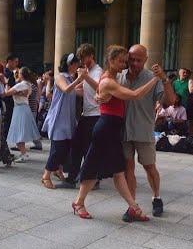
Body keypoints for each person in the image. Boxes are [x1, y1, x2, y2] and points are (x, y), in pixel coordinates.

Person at [72, 45, 165, 221]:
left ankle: (133, 207)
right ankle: (79, 203)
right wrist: (156, 79)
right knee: (93, 167)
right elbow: (135, 94)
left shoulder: (113, 77)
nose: (124, 64)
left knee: (118, 171)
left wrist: (95, 89)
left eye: (125, 61)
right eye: (121, 61)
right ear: (111, 60)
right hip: (106, 128)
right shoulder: (110, 79)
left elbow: (100, 88)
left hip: (113, 129)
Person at [107, 44, 176, 219]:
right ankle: (133, 206)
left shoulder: (152, 78)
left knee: (149, 166)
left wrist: (165, 79)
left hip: (144, 130)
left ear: (146, 60)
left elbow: (170, 101)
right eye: (132, 59)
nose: (135, 63)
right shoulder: (119, 76)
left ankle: (157, 196)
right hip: (123, 131)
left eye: (139, 60)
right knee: (128, 167)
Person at [57, 43, 102, 189]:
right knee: (76, 145)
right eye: (80, 59)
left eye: (84, 58)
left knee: (89, 148)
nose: (82, 61)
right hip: (86, 113)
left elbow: (101, 89)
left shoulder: (98, 71)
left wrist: (85, 77)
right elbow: (82, 90)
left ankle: (93, 179)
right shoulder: (86, 71)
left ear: (91, 56)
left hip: (96, 114)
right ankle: (72, 178)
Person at [41, 53, 86, 189]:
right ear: (70, 64)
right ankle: (46, 176)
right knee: (58, 149)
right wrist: (80, 79)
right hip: (59, 119)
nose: (78, 66)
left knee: (65, 148)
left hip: (67, 120)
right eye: (76, 63)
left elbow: (77, 91)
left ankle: (58, 170)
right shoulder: (60, 77)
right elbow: (67, 89)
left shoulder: (70, 78)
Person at [4, 67, 41, 163]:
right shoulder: (29, 84)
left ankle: (24, 154)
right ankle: (23, 153)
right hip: (25, 108)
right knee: (20, 133)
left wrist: (7, 83)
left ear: (22, 75)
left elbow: (6, 93)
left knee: (17, 133)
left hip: (19, 109)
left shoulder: (21, 85)